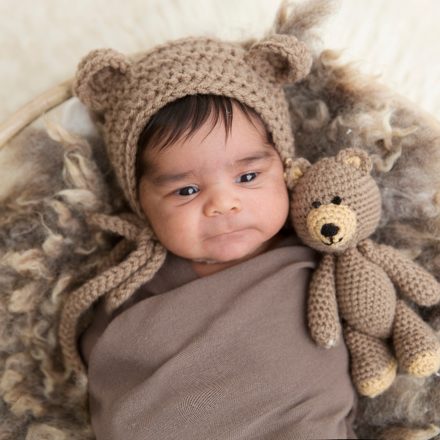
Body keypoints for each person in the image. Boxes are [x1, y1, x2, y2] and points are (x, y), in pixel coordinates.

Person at [58, 19, 357, 440]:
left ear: (286, 169)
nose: (222, 203)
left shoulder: (323, 254)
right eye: (187, 189)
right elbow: (114, 374)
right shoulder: (131, 284)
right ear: (139, 202)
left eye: (248, 177)